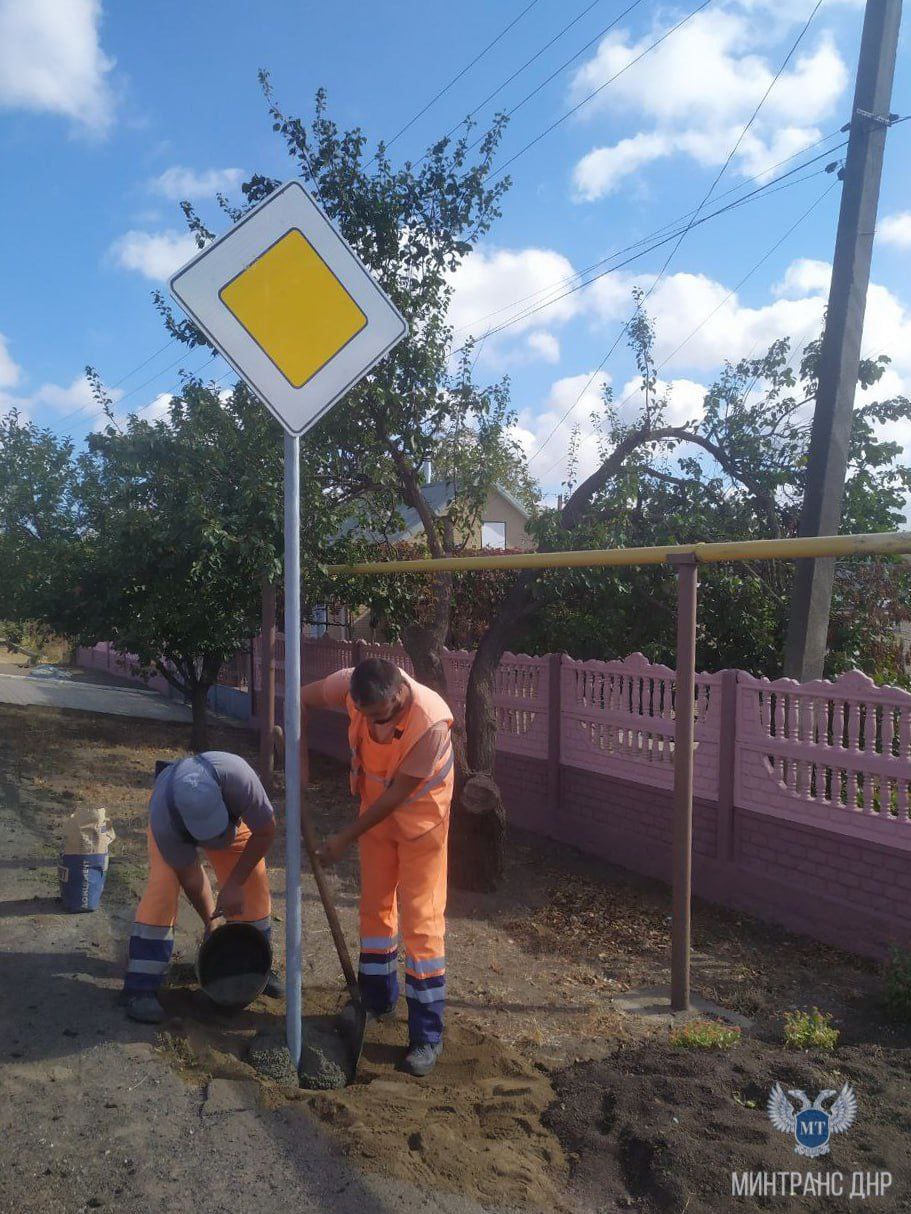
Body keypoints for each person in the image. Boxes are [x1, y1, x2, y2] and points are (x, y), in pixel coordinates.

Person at [303, 658, 454, 1077]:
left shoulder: (431, 723)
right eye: (364, 716)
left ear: (398, 695)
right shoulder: (349, 687)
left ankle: (426, 1036)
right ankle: (375, 1000)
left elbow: (397, 795)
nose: (373, 725)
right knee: (374, 907)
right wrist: (301, 764)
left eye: (380, 717)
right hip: (375, 817)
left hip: (422, 825)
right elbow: (301, 700)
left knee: (421, 923)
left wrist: (343, 837)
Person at [120, 751, 277, 1024]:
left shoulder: (239, 778)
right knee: (164, 887)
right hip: (172, 822)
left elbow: (265, 831)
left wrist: (236, 883)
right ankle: (141, 986)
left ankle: (256, 965)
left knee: (253, 881)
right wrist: (212, 922)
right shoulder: (165, 819)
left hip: (232, 819)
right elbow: (190, 875)